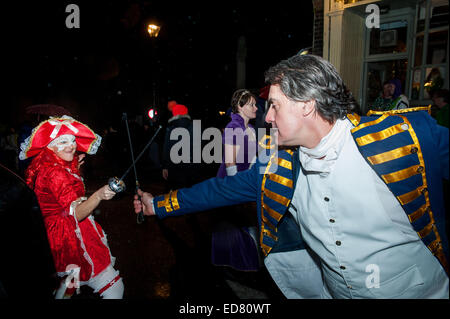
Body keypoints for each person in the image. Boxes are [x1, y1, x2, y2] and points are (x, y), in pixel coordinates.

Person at [134, 54, 449, 299]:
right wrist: (157, 205)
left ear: (307, 106)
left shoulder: (405, 139)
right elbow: (220, 190)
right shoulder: (278, 167)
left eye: (275, 106)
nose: (268, 116)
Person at [20, 115, 124, 299]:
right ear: (50, 146)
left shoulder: (54, 164)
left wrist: (74, 166)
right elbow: (76, 213)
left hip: (65, 231)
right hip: (68, 236)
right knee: (112, 288)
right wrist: (99, 195)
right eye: (63, 141)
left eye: (73, 140)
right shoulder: (54, 172)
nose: (71, 145)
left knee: (70, 283)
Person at [212, 89, 261, 273]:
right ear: (240, 107)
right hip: (231, 180)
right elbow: (230, 161)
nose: (256, 108)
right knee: (234, 225)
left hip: (245, 180)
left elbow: (253, 157)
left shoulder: (252, 129)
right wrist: (235, 187)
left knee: (242, 224)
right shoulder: (233, 127)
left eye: (256, 104)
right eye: (251, 105)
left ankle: (245, 261)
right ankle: (235, 262)